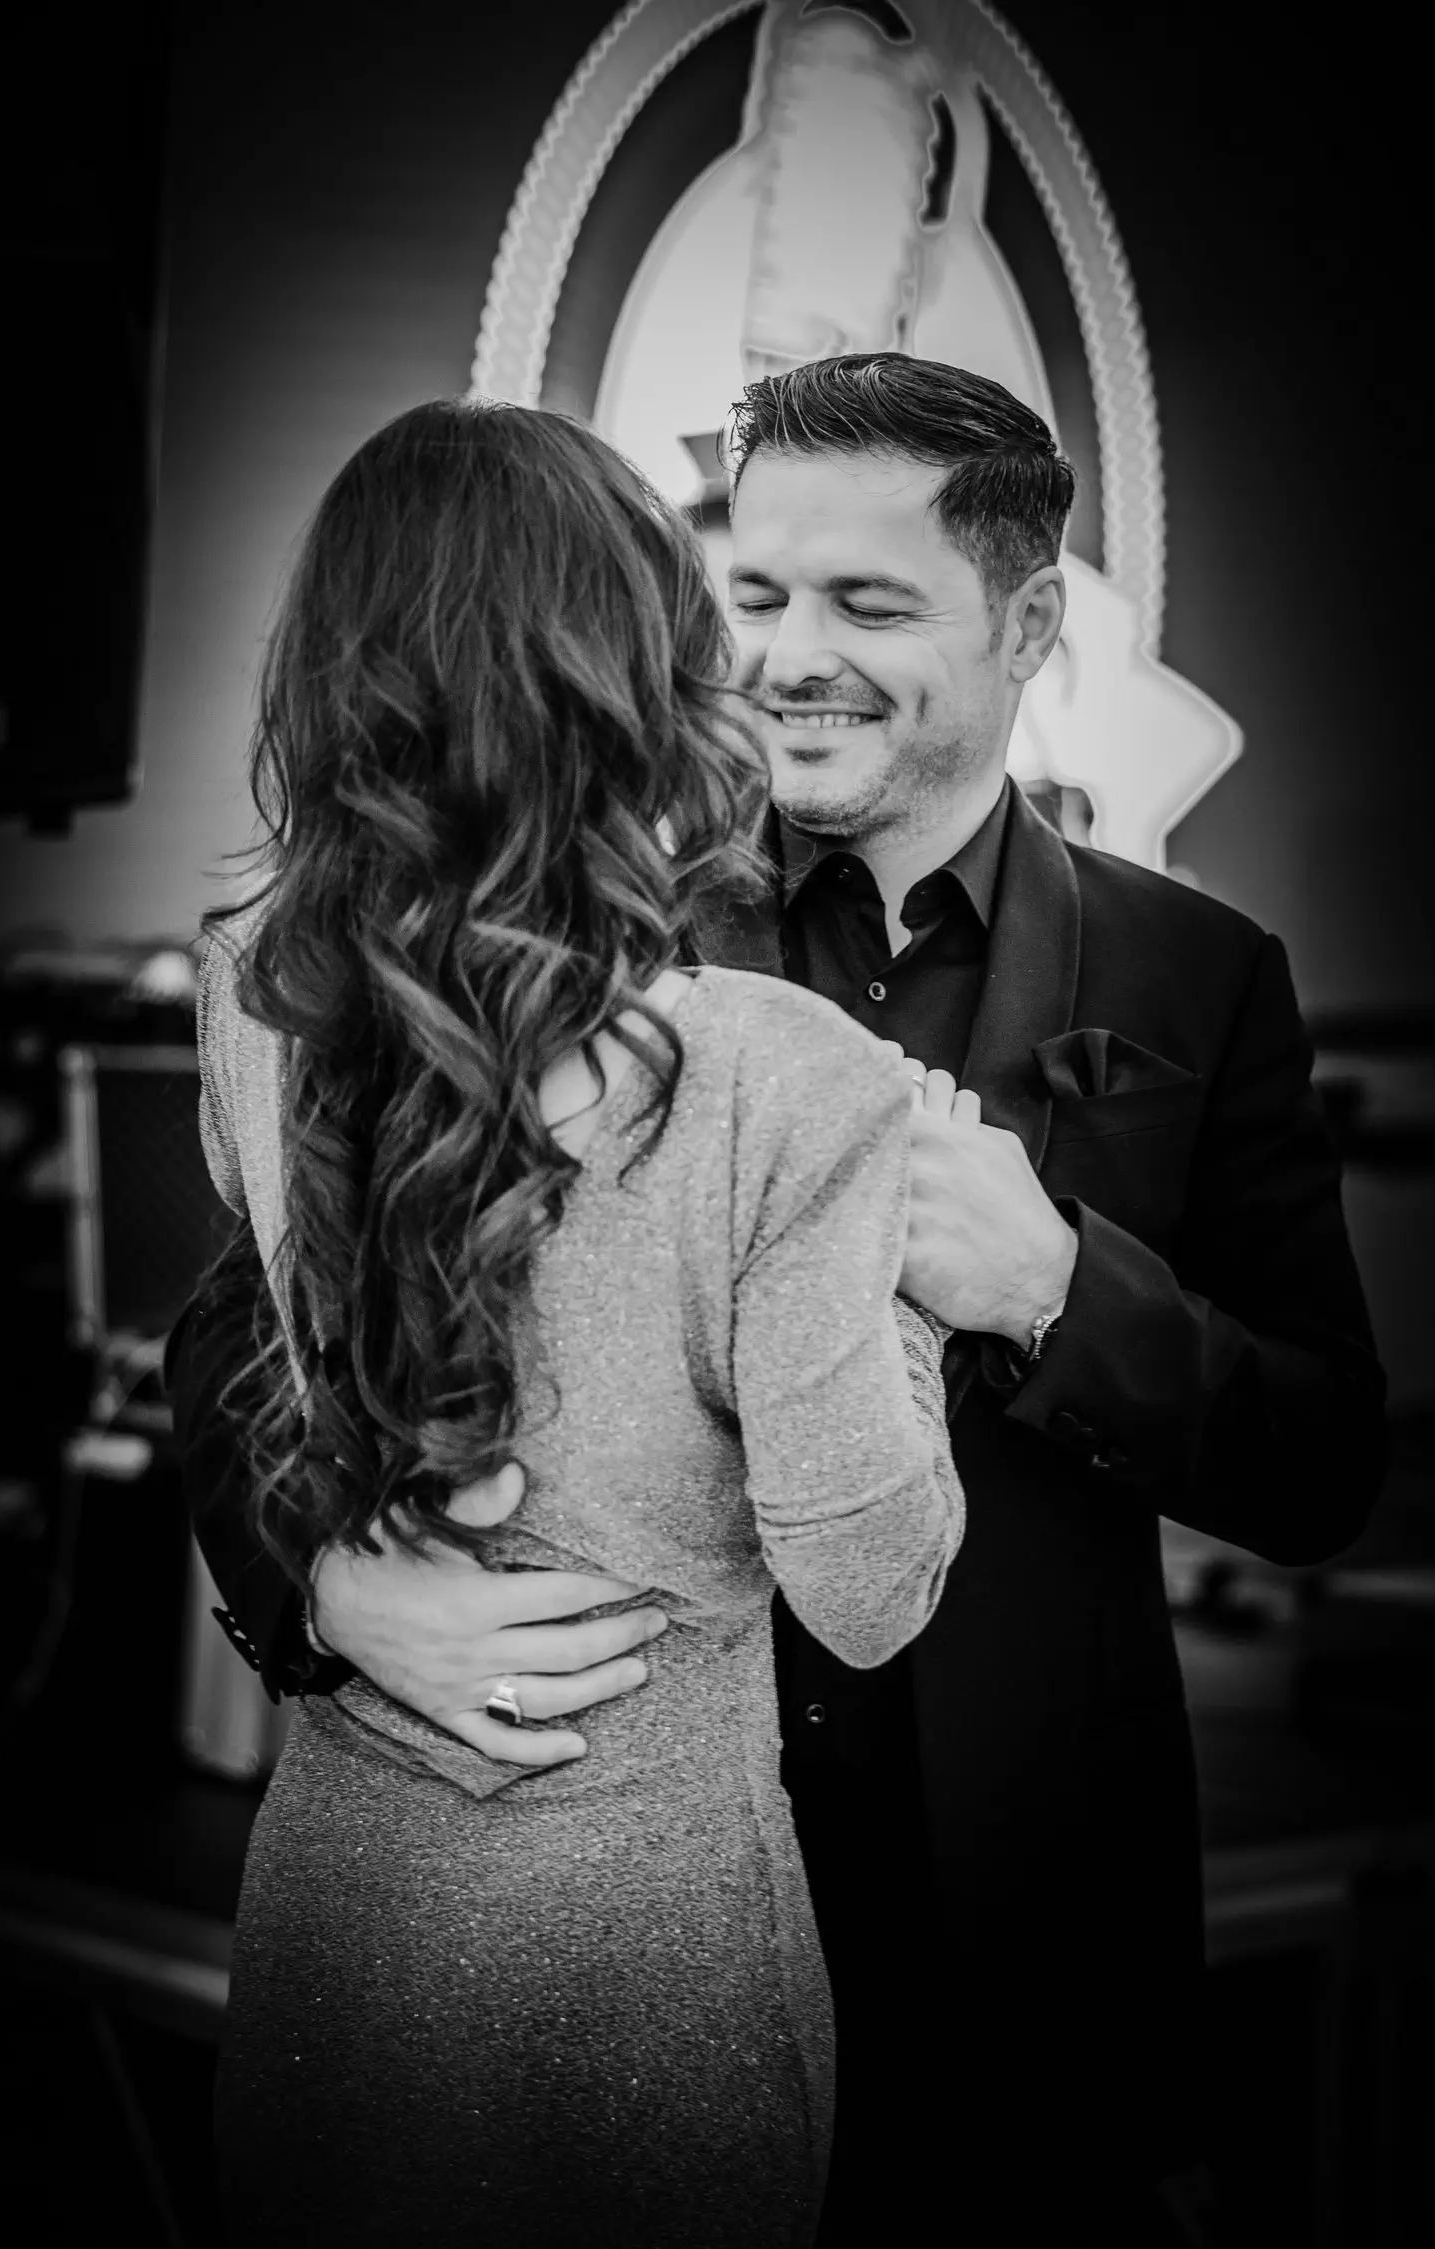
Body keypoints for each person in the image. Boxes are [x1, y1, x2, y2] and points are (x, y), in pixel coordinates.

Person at [170, 356, 1386, 2247]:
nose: (791, 656)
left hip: (1010, 1941)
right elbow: (235, 1334)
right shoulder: (558, 918)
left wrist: (1060, 1291)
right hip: (631, 1914)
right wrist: (323, 1592)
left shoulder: (1200, 973)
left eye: (870, 604)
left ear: (1028, 628)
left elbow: (1321, 1461)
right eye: (757, 593)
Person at [193, 394, 966, 2249]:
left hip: (339, 1932)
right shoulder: (790, 1077)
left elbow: (269, 1348)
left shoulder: (249, 997)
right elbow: (870, 1594)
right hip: (652, 1967)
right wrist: (914, 1292)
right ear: (639, 673)